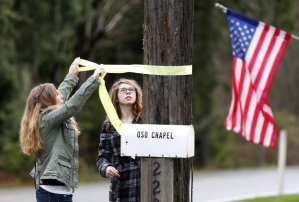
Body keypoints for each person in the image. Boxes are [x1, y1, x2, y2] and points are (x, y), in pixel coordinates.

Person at [19, 57, 105, 202]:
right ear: (50, 100)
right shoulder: (47, 119)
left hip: (58, 193)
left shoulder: (48, 116)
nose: (61, 96)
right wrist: (94, 79)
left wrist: (72, 74)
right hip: (53, 195)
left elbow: (62, 94)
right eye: (57, 95)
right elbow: (71, 105)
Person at [96, 78, 143, 202]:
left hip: (145, 182)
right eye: (123, 90)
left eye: (131, 90)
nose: (128, 92)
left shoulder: (146, 121)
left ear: (137, 94)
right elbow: (102, 158)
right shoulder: (109, 125)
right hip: (121, 186)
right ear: (116, 97)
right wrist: (105, 168)